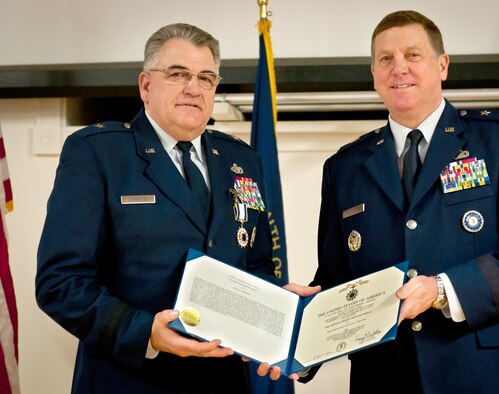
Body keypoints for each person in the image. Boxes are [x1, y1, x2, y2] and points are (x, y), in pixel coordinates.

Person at [304, 10, 499, 393]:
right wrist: (298, 333)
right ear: (374, 75)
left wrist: (444, 289)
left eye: (412, 55)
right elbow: (336, 280)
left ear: (442, 65)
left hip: (483, 375)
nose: (399, 68)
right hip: (383, 377)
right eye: (386, 59)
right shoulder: (345, 167)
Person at [35, 23, 308, 393]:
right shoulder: (98, 153)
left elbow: (254, 263)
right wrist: (145, 332)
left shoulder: (240, 160)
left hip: (222, 381)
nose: (193, 88)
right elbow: (60, 282)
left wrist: (276, 304)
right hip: (129, 379)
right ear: (146, 85)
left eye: (206, 78)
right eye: (178, 74)